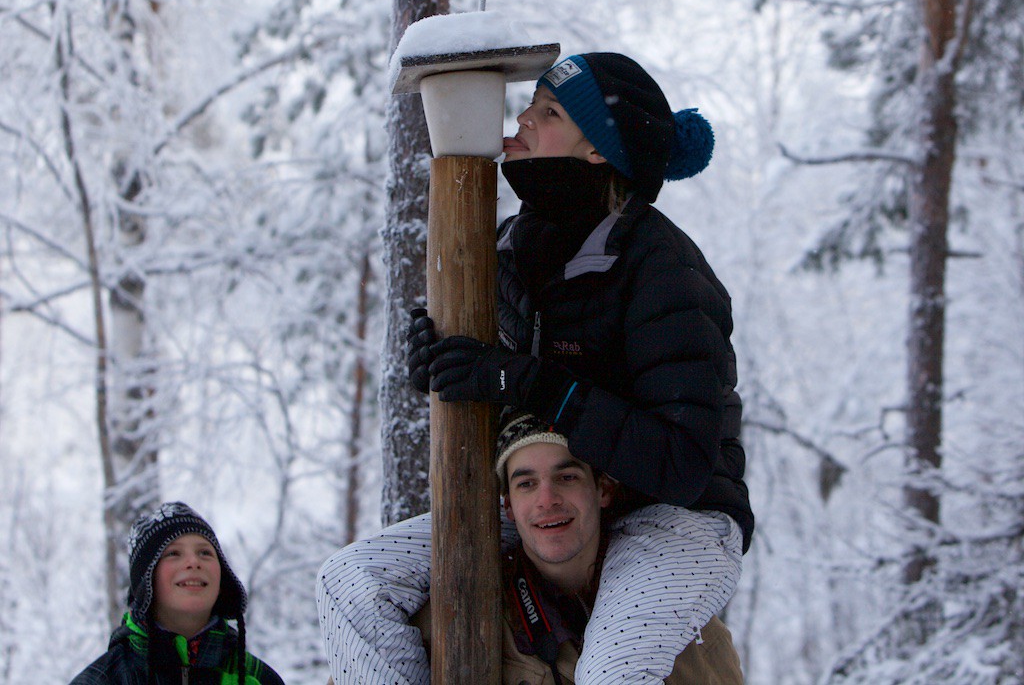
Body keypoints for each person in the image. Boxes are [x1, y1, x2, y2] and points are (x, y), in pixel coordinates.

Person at [317, 52, 753, 684]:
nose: (522, 118)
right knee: (351, 583)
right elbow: (510, 394)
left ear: (599, 151)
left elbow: (680, 465)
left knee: (611, 674)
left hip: (675, 517)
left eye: (548, 112)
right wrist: (442, 368)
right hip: (552, 492)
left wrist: (520, 379)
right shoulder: (514, 248)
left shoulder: (666, 270)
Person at [409, 410, 745, 685]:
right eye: (526, 484)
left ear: (603, 490)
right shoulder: (461, 611)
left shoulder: (675, 620)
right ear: (508, 506)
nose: (547, 500)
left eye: (566, 477)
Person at [71, 501, 284, 685]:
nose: (193, 562)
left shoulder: (256, 678)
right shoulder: (105, 679)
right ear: (146, 579)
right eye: (173, 553)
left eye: (205, 552)